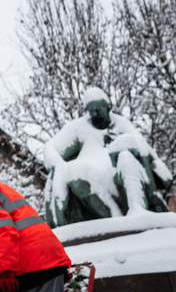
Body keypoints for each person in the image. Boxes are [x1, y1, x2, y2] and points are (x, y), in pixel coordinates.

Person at [43, 86, 172, 227]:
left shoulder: (121, 124)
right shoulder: (80, 127)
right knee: (76, 174)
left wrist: (126, 145)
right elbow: (51, 148)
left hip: (120, 180)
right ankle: (115, 217)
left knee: (126, 157)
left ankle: (139, 210)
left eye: (98, 109)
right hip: (89, 179)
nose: (94, 114)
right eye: (91, 111)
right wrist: (58, 164)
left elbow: (143, 148)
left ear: (107, 106)